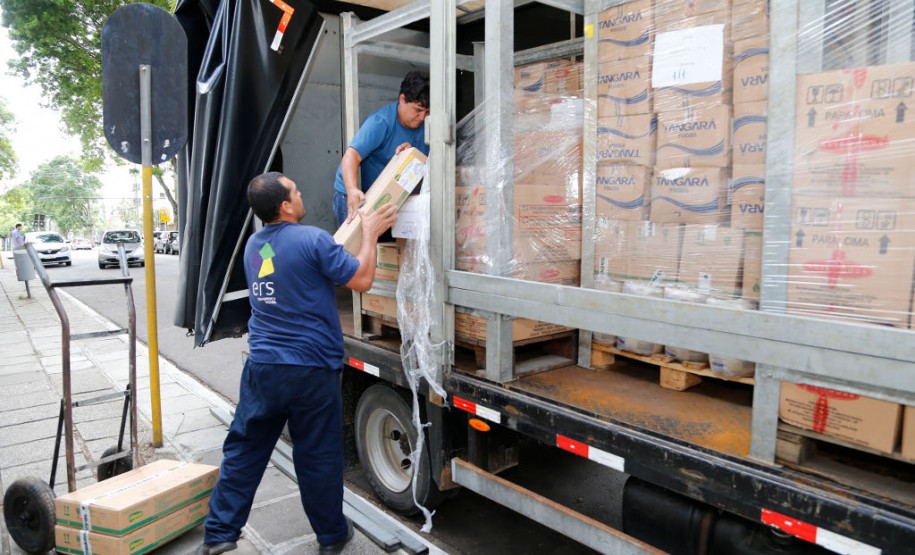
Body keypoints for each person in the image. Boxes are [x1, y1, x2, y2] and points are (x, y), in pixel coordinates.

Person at [197, 172, 398, 555]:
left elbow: (291, 273)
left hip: (263, 368)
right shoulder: (313, 239)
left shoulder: (255, 246)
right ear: (286, 206)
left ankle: (219, 534)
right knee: (317, 455)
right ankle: (332, 536)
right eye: (297, 191)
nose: (302, 194)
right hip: (311, 371)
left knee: (244, 449)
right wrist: (369, 232)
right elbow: (363, 279)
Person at [333, 71, 430, 227]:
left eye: (427, 112)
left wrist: (412, 156)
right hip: (355, 195)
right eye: (418, 110)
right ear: (402, 99)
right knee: (354, 250)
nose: (422, 118)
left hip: (389, 197)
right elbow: (351, 155)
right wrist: (352, 190)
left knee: (386, 249)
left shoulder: (427, 126)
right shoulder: (381, 122)